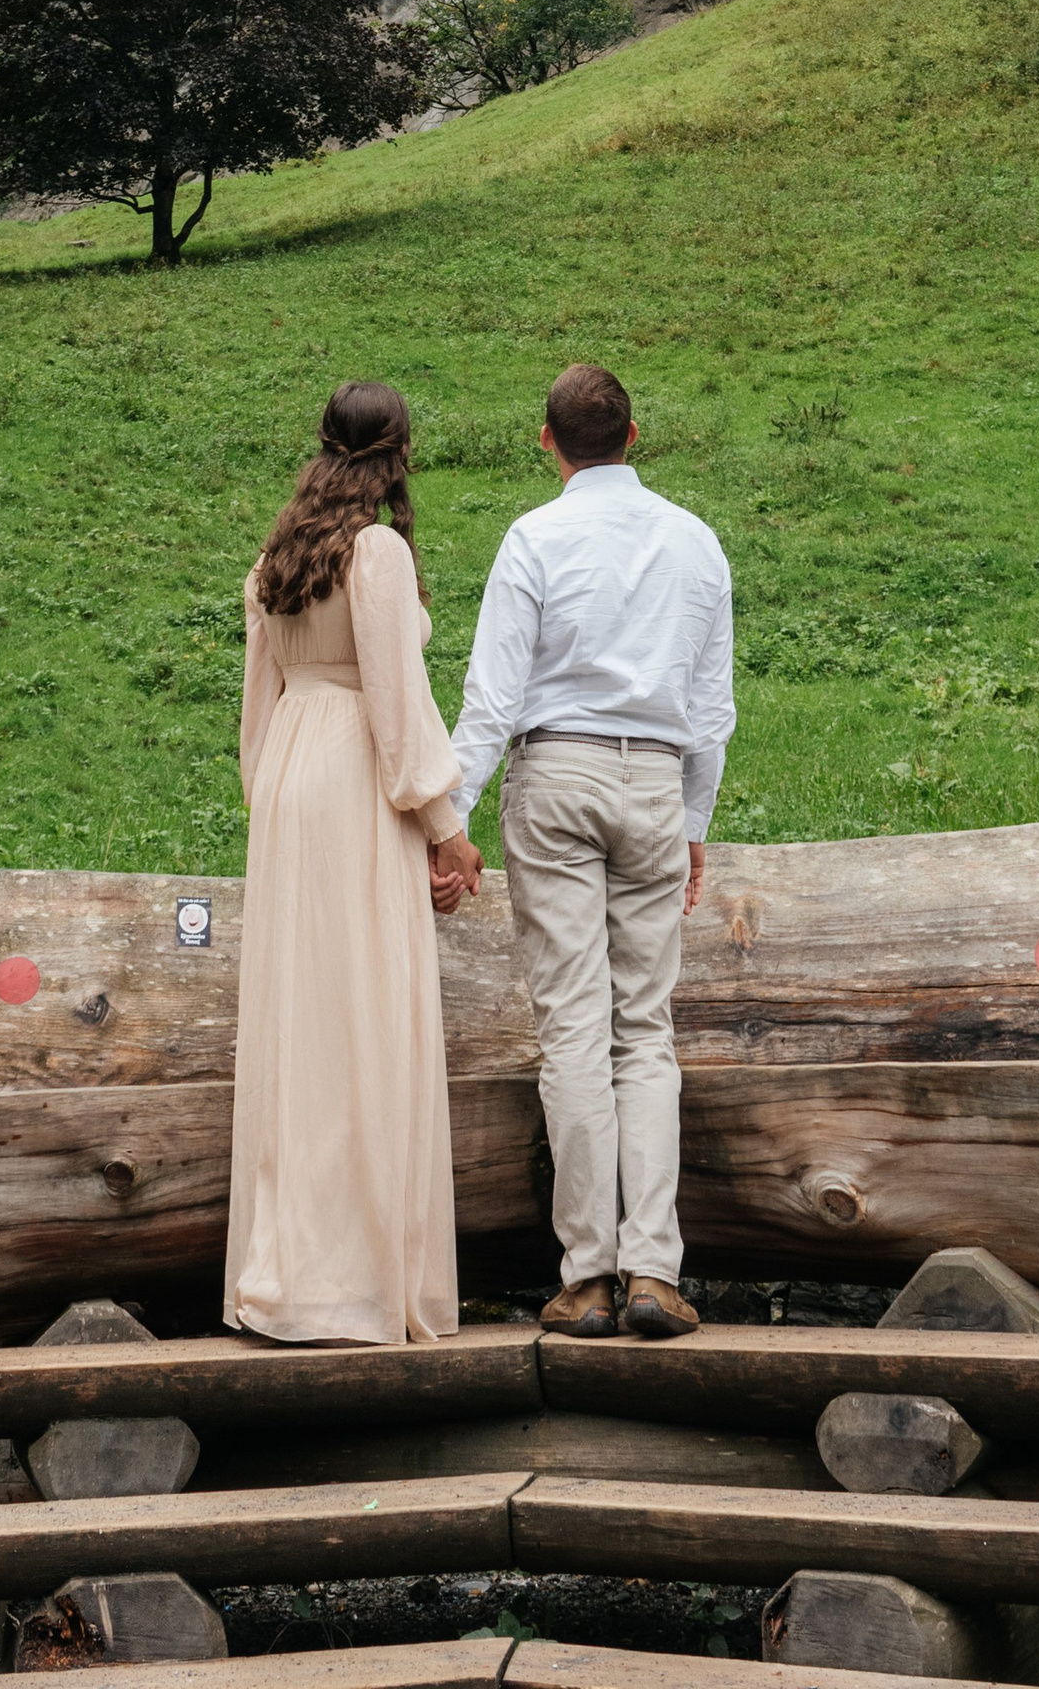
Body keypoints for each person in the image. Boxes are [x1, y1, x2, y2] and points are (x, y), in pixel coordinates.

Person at [434, 360, 735, 1341]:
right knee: (644, 1027)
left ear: (546, 443)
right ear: (634, 435)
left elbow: (490, 701)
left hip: (554, 774)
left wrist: (450, 822)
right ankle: (656, 1270)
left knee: (572, 1025)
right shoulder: (695, 543)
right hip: (652, 778)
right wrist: (692, 824)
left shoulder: (533, 537)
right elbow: (711, 709)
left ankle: (587, 1275)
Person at [225, 380, 471, 1344]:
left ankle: (289, 1264)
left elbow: (255, 710)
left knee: (301, 1020)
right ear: (399, 452)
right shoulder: (375, 553)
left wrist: (268, 800)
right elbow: (397, 706)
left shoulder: (279, 556)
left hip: (290, 777)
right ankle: (354, 1282)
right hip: (352, 780)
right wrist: (445, 828)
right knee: (362, 1012)